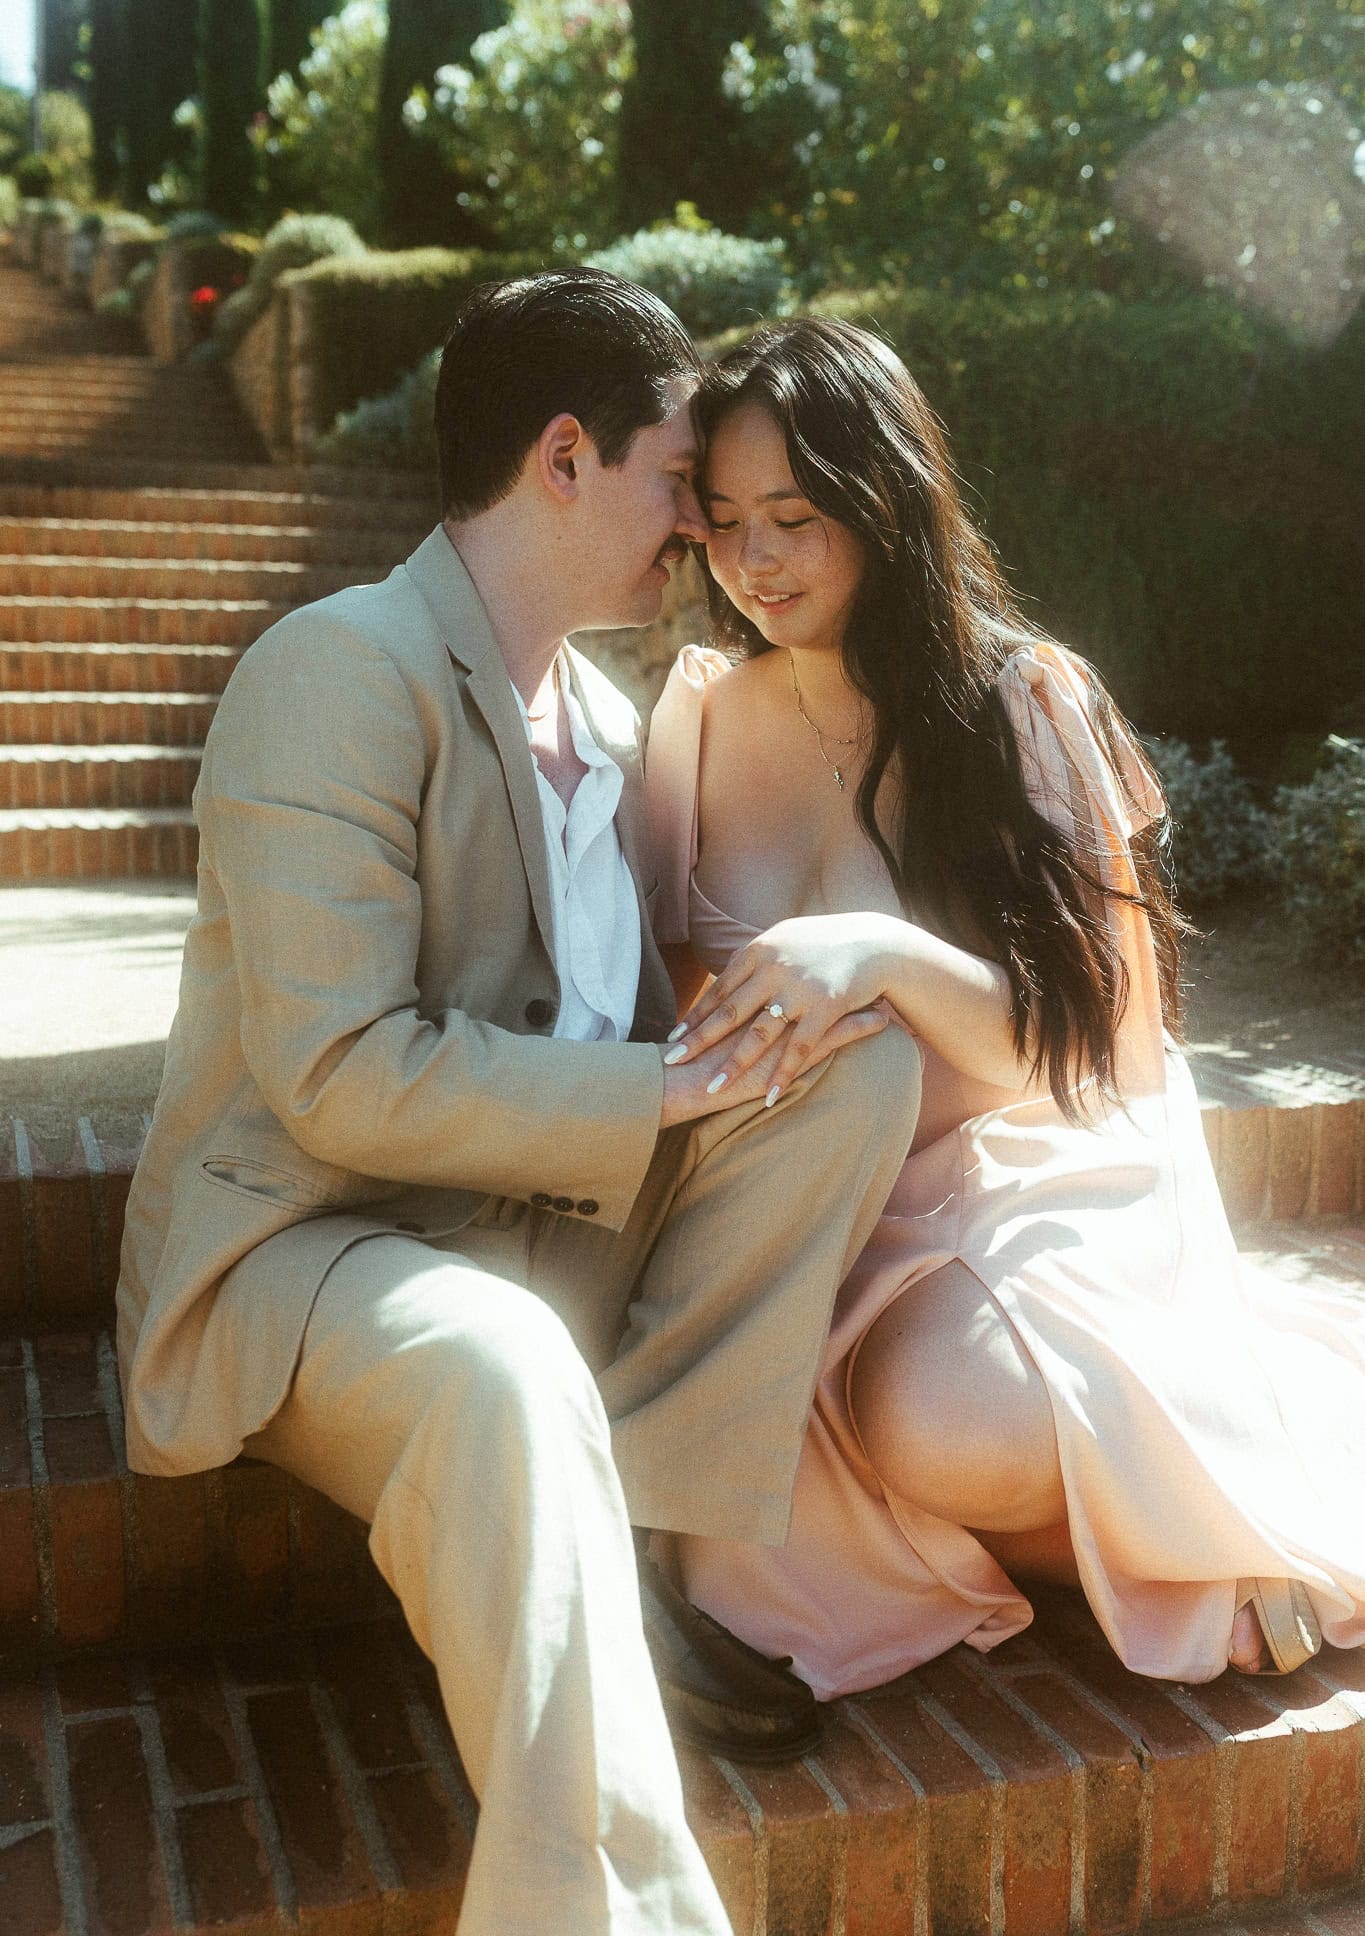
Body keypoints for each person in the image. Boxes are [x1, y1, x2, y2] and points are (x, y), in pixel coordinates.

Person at [117, 274, 926, 1936]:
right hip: (318, 1250)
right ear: (565, 459)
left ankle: (616, 1543)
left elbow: (638, 1018)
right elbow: (338, 1075)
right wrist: (661, 1083)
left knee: (855, 1074)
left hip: (539, 1238)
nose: (700, 532)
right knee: (499, 1364)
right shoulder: (336, 668)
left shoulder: (622, 723)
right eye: (676, 483)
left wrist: (796, 1002)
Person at [646, 314, 1365, 1698]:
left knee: (940, 1426)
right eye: (725, 520)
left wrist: (885, 954)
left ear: (881, 500)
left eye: (794, 516)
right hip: (808, 1205)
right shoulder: (695, 720)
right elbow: (663, 1013)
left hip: (1026, 1176)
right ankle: (1161, 1519)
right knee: (847, 1452)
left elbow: (1104, 1047)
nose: (754, 561)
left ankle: (1199, 1533)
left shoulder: (1018, 700)